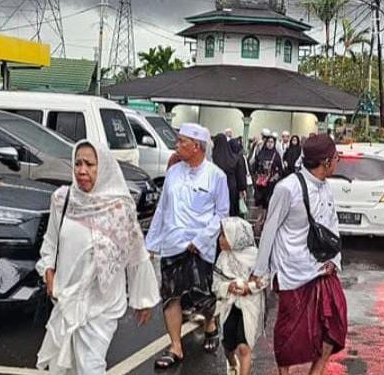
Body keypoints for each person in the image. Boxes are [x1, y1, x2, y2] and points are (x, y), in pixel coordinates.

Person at [36, 140, 160, 374]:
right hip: (66, 299)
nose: (82, 170)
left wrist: (142, 298)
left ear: (102, 167)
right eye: (78, 163)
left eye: (90, 164)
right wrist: (48, 273)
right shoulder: (62, 200)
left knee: (91, 366)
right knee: (66, 367)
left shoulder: (119, 208)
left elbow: (136, 254)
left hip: (102, 306)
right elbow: (51, 242)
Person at [251, 134, 347, 375]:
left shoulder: (326, 188)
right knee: (288, 335)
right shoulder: (287, 189)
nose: (338, 162)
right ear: (326, 161)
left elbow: (332, 225)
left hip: (322, 270)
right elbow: (269, 230)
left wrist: (335, 261)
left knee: (333, 326)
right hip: (292, 272)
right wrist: (260, 273)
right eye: (336, 157)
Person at [146, 123, 230, 369]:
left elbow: (222, 213)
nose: (177, 145)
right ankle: (175, 346)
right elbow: (162, 209)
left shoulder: (216, 176)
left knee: (203, 294)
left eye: (182, 141)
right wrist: (151, 243)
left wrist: (202, 240)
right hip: (172, 244)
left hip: (199, 246)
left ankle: (210, 325)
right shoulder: (173, 172)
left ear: (197, 147)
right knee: (171, 296)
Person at [213, 217, 269, 375]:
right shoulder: (223, 258)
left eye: (224, 235)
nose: (220, 240)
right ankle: (232, 363)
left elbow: (264, 278)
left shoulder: (255, 256)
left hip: (249, 305)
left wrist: (248, 287)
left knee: (244, 345)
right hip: (229, 304)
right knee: (227, 344)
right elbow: (216, 284)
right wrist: (227, 287)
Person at [252, 134, 283, 231]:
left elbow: (280, 170)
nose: (270, 144)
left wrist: (274, 178)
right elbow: (255, 165)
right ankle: (259, 217)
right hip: (260, 182)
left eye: (272, 142)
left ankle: (265, 219)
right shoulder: (261, 153)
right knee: (259, 200)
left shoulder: (276, 155)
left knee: (267, 201)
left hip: (270, 183)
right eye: (268, 142)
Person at [213, 134, 248, 217]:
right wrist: (242, 189)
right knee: (231, 212)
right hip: (231, 188)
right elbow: (240, 176)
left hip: (216, 188)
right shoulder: (234, 158)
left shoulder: (213, 158)